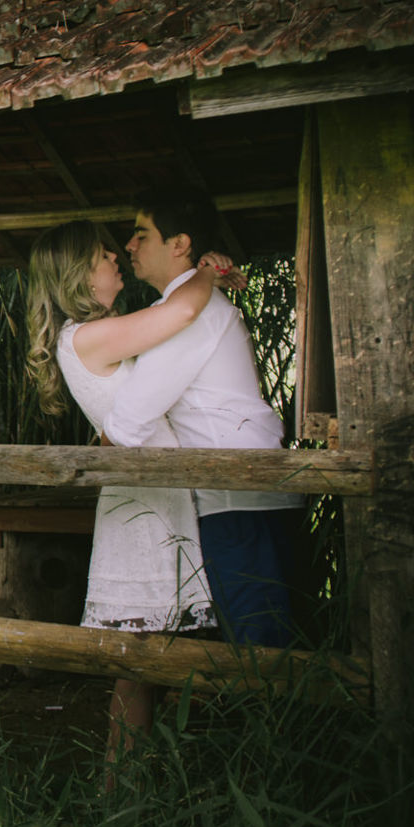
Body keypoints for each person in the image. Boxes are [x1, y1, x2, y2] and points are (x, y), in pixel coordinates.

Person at [26, 219, 240, 759]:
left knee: (144, 665)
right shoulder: (86, 335)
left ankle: (129, 788)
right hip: (143, 512)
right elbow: (182, 311)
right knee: (137, 662)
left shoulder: (94, 334)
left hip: (153, 501)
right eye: (103, 255)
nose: (116, 258)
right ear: (78, 274)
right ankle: (120, 788)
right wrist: (206, 273)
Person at [102, 187, 301, 651]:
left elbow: (130, 420)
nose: (129, 246)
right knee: (260, 648)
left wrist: (96, 455)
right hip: (240, 495)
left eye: (141, 235)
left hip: (241, 499)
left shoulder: (193, 313)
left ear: (179, 244)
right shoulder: (175, 310)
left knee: (263, 653)